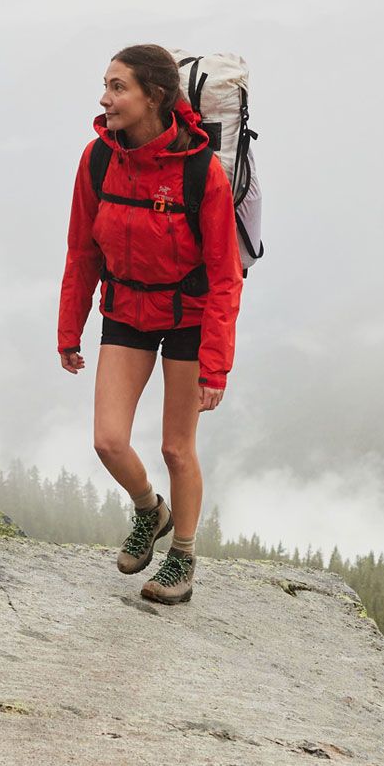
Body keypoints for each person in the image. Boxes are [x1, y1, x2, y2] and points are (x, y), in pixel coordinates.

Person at [57, 44, 243, 605]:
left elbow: (225, 276)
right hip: (126, 311)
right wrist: (70, 329)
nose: (104, 98)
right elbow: (81, 252)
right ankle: (149, 510)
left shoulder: (201, 172)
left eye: (118, 87)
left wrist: (216, 364)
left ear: (154, 97)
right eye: (106, 85)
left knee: (176, 450)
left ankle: (182, 556)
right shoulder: (97, 160)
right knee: (109, 441)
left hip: (188, 316)